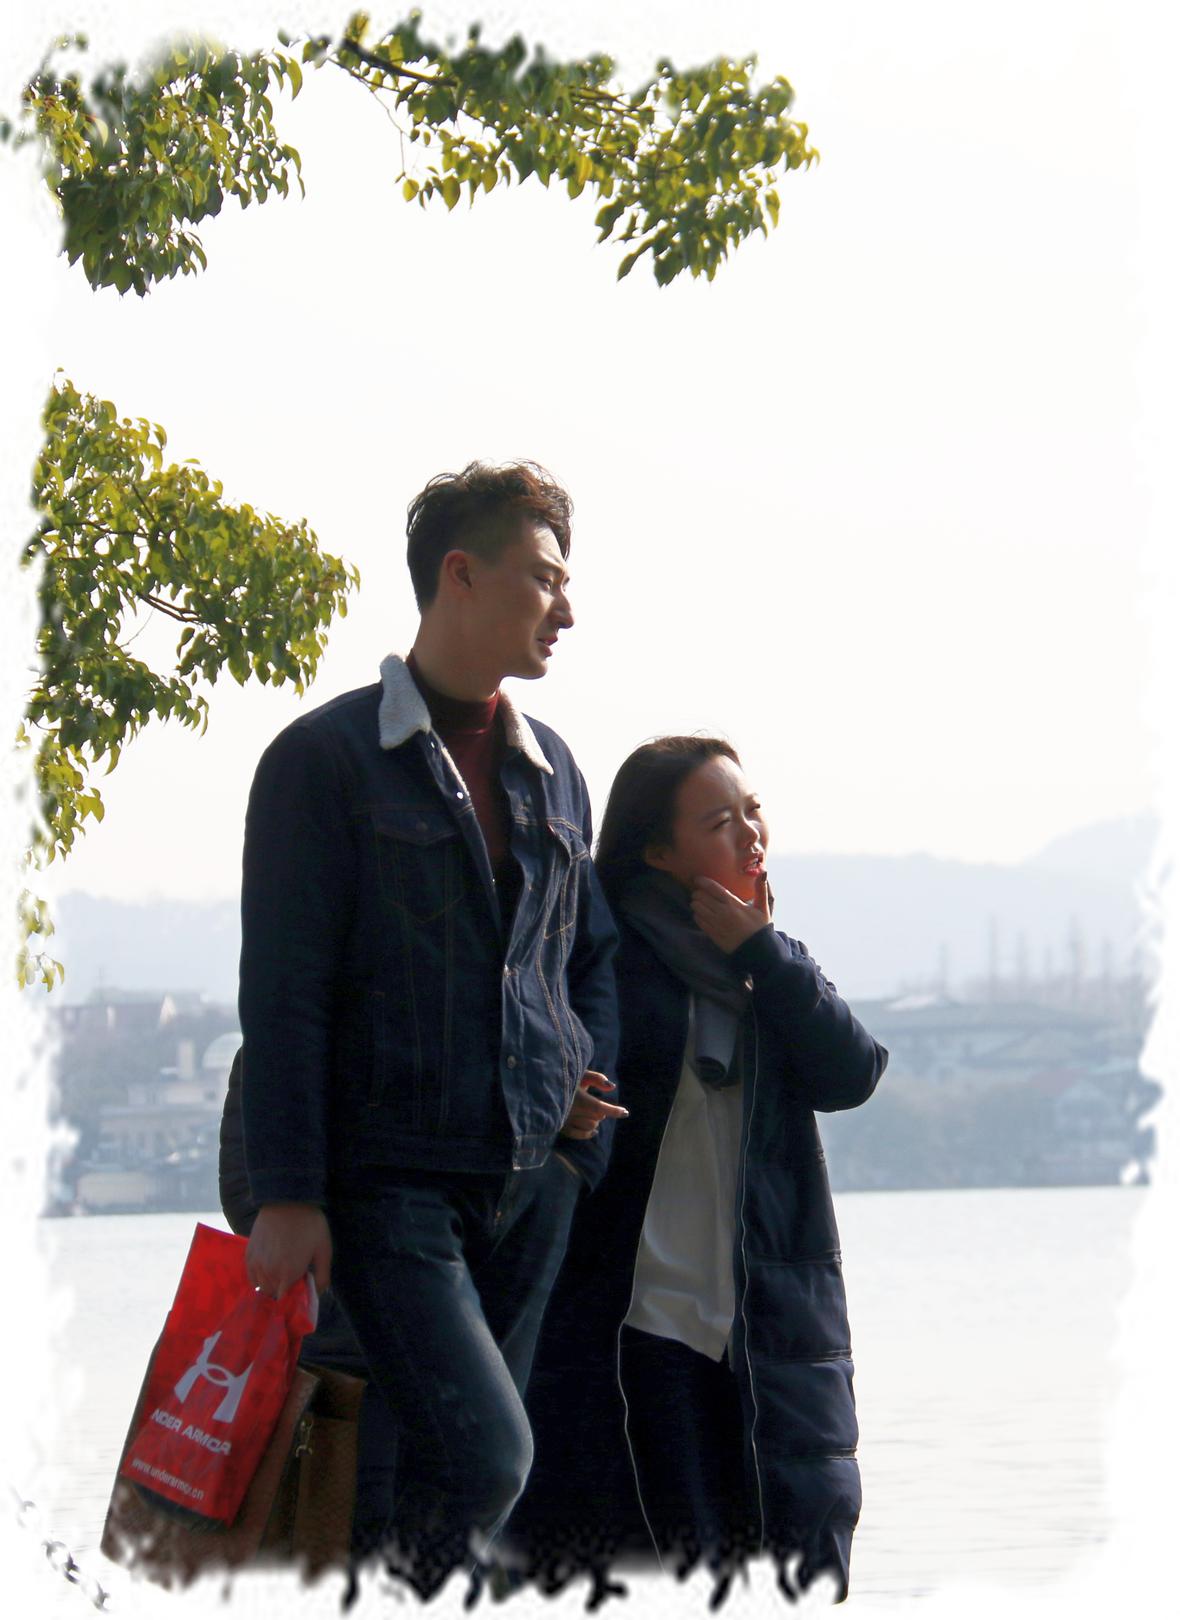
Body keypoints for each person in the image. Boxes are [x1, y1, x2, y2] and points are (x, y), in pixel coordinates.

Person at [231, 461, 624, 1597]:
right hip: (387, 1186)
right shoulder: (324, 762)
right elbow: (285, 990)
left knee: (423, 1473)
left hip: (529, 1185)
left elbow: (585, 961)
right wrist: (288, 1194)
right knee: (489, 1459)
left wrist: (579, 1104)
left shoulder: (557, 776)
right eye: (544, 578)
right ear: (461, 574)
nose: (566, 608)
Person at [507, 737, 887, 1606]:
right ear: (657, 850)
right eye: (720, 822)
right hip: (637, 1324)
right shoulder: (601, 965)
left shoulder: (770, 965)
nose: (750, 835)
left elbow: (852, 1073)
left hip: (762, 1334)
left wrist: (761, 952)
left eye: (754, 812)